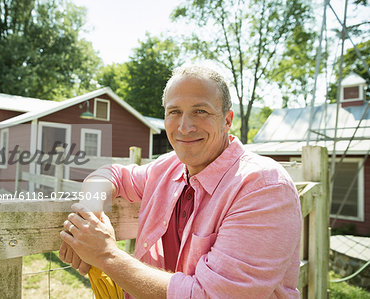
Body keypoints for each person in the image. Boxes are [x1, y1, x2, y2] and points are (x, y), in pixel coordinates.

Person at [59, 64, 302, 298]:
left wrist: (105, 254)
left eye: (201, 111)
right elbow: (111, 175)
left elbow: (210, 296)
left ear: (227, 120)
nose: (184, 127)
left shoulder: (263, 186)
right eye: (174, 112)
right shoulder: (167, 168)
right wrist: (89, 215)